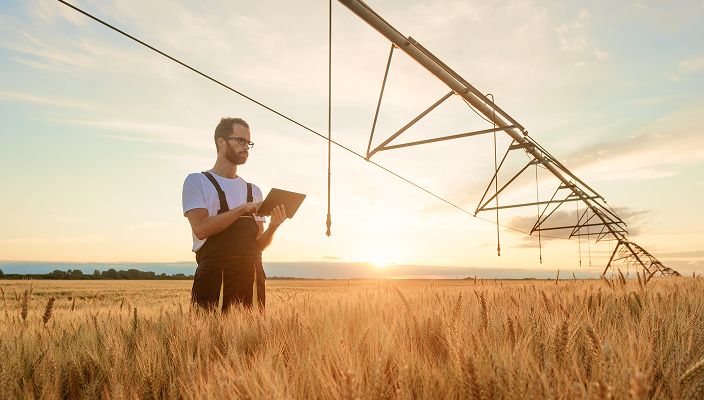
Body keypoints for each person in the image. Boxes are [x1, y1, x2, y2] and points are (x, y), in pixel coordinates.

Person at [182, 117, 285, 313]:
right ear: (221, 142)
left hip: (252, 278)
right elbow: (201, 229)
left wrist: (273, 227)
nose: (246, 147)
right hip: (213, 277)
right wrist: (243, 209)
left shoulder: (253, 190)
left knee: (251, 341)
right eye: (241, 141)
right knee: (207, 339)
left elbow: (258, 246)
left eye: (249, 143)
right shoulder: (197, 182)